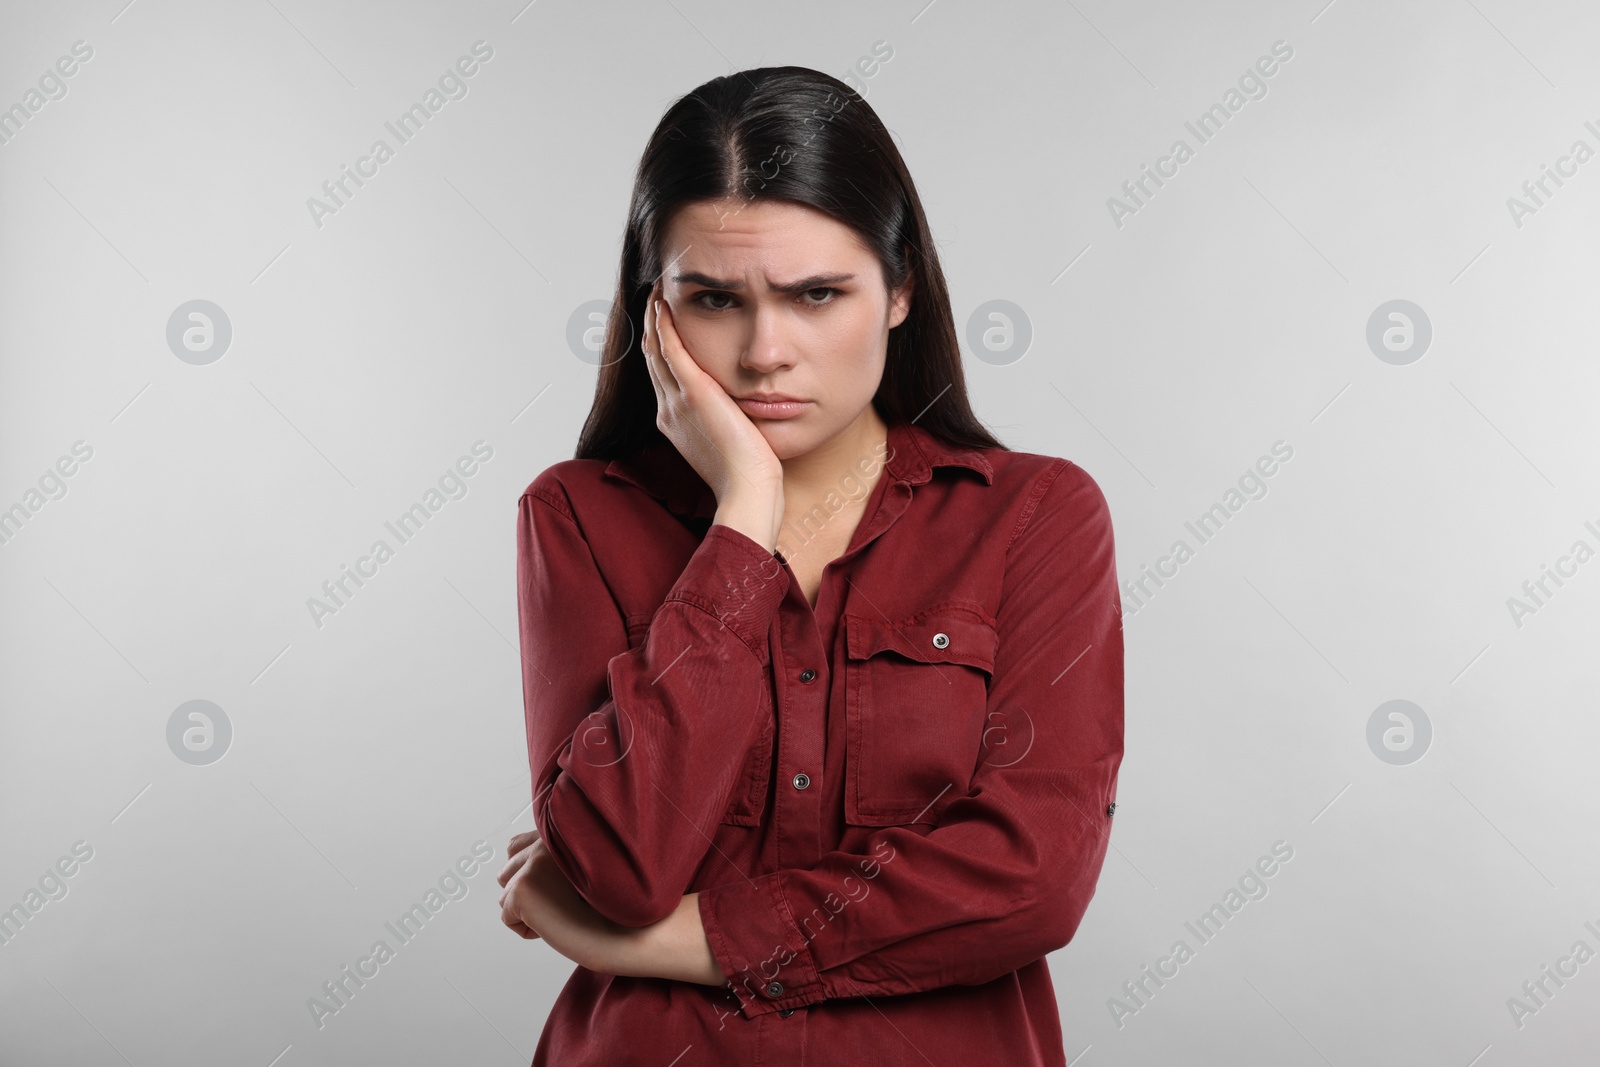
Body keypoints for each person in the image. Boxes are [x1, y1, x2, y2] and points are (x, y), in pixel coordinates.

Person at [497, 65, 1123, 1066]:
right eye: (711, 298)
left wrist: (672, 940)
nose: (762, 352)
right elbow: (618, 859)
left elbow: (1030, 877)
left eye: (817, 293)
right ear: (653, 311)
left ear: (900, 288)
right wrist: (742, 518)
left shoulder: (1035, 517)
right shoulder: (576, 517)